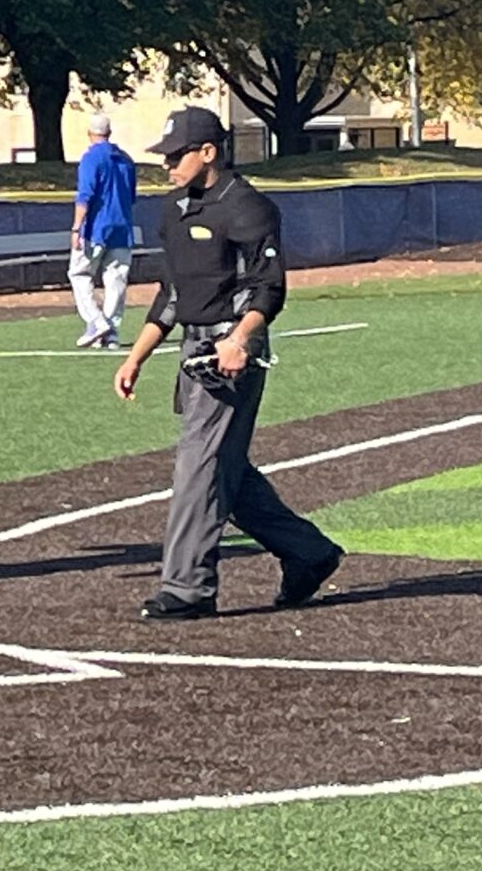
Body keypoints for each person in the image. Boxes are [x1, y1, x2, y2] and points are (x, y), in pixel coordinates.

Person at [114, 106, 345, 619]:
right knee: (225, 471)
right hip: (192, 350)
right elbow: (172, 294)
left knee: (198, 464)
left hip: (232, 352)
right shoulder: (174, 210)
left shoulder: (248, 208)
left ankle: (187, 588)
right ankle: (309, 553)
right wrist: (136, 357)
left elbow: (269, 289)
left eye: (176, 155)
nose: (166, 164)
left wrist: (240, 340)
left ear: (208, 152)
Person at [69, 112, 140, 350]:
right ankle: (111, 333)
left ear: (90, 133)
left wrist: (76, 228)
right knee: (116, 280)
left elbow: (85, 195)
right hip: (122, 227)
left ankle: (96, 322)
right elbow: (131, 196)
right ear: (109, 133)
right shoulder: (126, 160)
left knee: (79, 273)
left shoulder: (91, 158)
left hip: (96, 228)